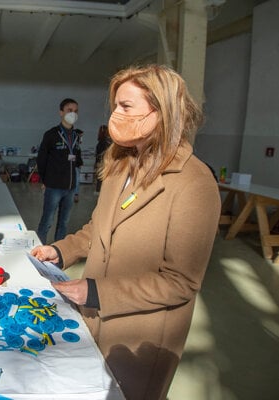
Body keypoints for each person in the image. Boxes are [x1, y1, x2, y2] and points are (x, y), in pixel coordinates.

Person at [30, 65, 220, 400]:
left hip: (141, 334)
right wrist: (61, 251)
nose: (115, 114)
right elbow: (98, 228)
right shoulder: (121, 165)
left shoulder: (193, 182)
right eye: (115, 105)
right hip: (95, 318)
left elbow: (180, 282)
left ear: (160, 112)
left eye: (126, 107)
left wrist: (95, 292)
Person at [36, 98, 82, 244]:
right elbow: (41, 160)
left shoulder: (76, 136)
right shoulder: (51, 134)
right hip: (54, 186)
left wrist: (76, 188)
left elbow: (77, 162)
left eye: (75, 111)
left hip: (70, 187)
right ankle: (40, 248)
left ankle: (57, 250)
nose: (73, 114)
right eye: (69, 110)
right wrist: (44, 181)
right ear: (61, 112)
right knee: (47, 221)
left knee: (64, 223)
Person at [94, 124, 111, 194]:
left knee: (100, 180)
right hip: (107, 163)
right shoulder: (109, 142)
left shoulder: (101, 142)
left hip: (101, 163)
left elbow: (98, 154)